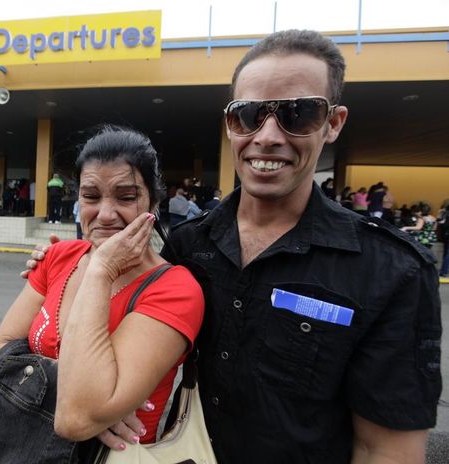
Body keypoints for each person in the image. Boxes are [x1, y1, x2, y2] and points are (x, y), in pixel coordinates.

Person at [26, 30, 442, 463]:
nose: (267, 135)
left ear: (333, 123)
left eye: (297, 114)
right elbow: (128, 347)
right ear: (230, 124)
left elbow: (387, 451)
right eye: (249, 115)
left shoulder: (391, 270)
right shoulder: (187, 245)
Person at [0, 127, 204, 454]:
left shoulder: (175, 288)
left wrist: (102, 269)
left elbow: (76, 420)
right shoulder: (58, 257)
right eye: (91, 196)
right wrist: (85, 397)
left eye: (126, 197)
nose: (105, 214)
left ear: (154, 203)